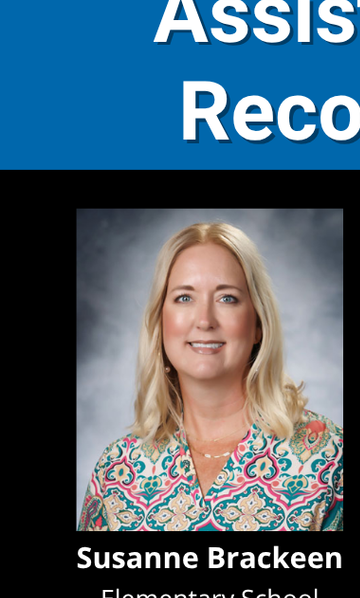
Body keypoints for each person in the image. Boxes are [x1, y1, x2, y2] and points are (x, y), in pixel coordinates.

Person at [78, 222, 343, 531]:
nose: (204, 320)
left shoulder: (327, 457)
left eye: (227, 298)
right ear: (160, 321)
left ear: (258, 324)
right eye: (184, 298)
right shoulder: (117, 471)